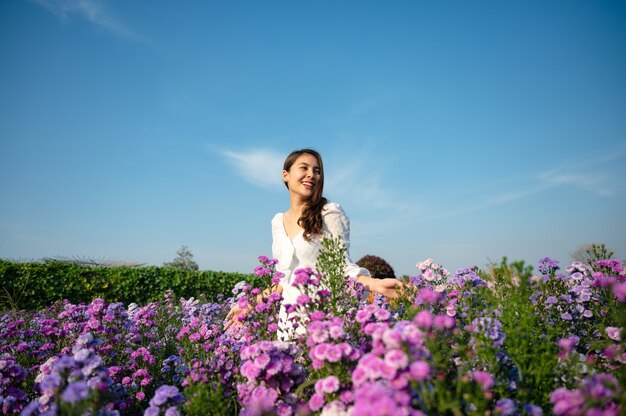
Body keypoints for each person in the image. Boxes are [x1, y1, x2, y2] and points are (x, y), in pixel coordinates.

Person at [225, 149, 402, 338]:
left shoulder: (329, 213)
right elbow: (284, 281)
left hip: (325, 322)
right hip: (289, 325)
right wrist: (249, 305)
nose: (312, 175)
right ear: (286, 175)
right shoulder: (277, 222)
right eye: (304, 168)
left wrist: (376, 284)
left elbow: (341, 268)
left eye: (317, 171)